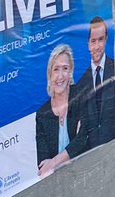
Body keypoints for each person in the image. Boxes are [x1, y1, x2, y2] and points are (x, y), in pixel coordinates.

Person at [35, 43, 88, 176]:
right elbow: (43, 165)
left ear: (70, 71)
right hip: (58, 183)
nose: (60, 76)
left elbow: (85, 138)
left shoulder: (81, 95)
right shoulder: (42, 115)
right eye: (56, 69)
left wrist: (53, 162)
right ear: (49, 74)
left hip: (86, 172)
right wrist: (72, 151)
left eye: (65, 68)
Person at [70, 16, 115, 151]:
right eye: (93, 41)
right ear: (88, 44)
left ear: (106, 39)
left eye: (101, 40)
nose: (97, 46)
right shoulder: (81, 84)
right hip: (93, 154)